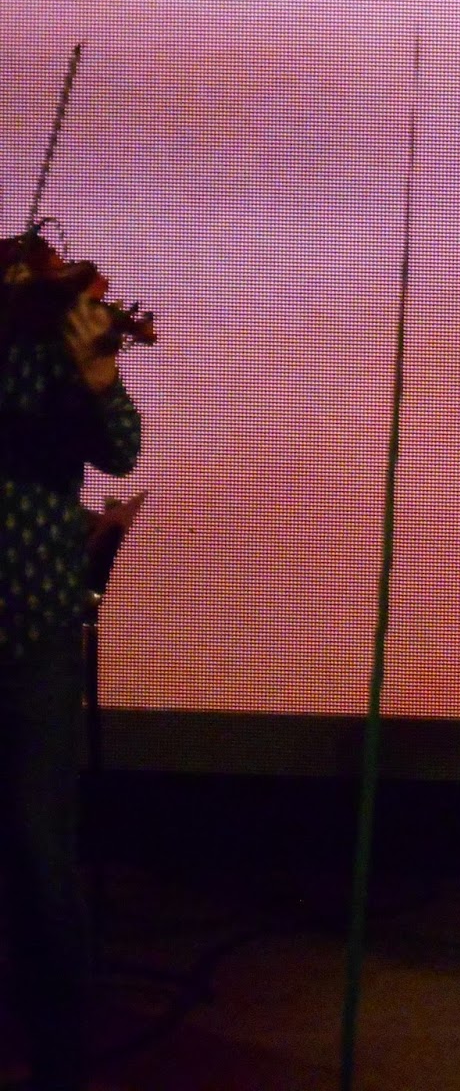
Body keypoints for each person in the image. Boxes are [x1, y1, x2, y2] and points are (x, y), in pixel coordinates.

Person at [0, 231, 142, 1091]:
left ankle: (58, 1055)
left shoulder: (54, 351)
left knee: (37, 844)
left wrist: (97, 372)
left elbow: (120, 448)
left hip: (34, 624)